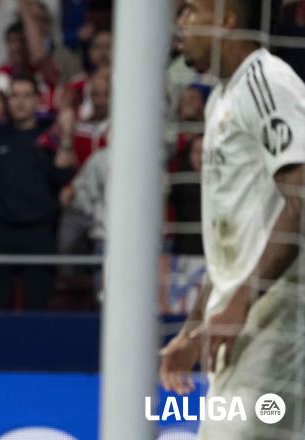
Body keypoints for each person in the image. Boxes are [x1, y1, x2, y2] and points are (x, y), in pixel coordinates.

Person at [160, 0, 305, 438]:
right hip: (240, 326)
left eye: (191, 12)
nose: (180, 23)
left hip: (277, 321)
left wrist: (242, 301)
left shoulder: (269, 82)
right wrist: (194, 329)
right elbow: (231, 241)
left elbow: (300, 198)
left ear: (226, 20)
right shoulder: (222, 98)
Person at [0, 74, 73, 309]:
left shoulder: (49, 137)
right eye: (14, 96)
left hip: (38, 231)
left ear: (38, 100)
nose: (20, 102)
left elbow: (63, 175)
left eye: (27, 96)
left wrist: (68, 135)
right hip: (0, 229)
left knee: (37, 311)